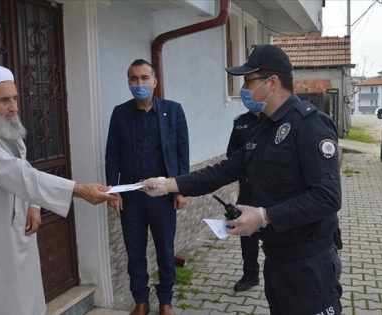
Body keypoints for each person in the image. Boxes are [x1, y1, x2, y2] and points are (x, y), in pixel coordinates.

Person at [141, 45, 343, 315]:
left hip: (309, 263)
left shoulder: (310, 125)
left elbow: (327, 198)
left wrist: (263, 215)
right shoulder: (262, 129)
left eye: (249, 81)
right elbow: (223, 171)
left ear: (272, 82)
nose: (244, 88)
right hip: (276, 258)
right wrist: (166, 184)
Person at [0, 66, 117, 315]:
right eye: (5, 100)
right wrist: (78, 189)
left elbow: (24, 167)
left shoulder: (7, 129)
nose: (14, 107)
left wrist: (33, 206)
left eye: (15, 98)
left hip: (20, 230)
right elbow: (17, 175)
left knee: (28, 299)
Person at [105, 59, 189, 315]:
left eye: (144, 78)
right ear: (129, 83)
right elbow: (112, 154)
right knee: (135, 251)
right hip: (131, 196)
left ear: (154, 81)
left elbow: (181, 151)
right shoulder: (120, 113)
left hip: (163, 195)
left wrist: (181, 188)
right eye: (134, 79)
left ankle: (165, 301)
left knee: (165, 249)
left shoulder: (173, 111)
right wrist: (114, 191)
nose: (139, 83)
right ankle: (140, 300)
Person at [226, 111, 262, 292]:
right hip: (247, 188)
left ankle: (281, 274)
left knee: (277, 231)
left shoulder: (275, 117)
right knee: (247, 235)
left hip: (271, 188)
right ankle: (250, 274)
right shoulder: (241, 121)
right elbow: (231, 151)